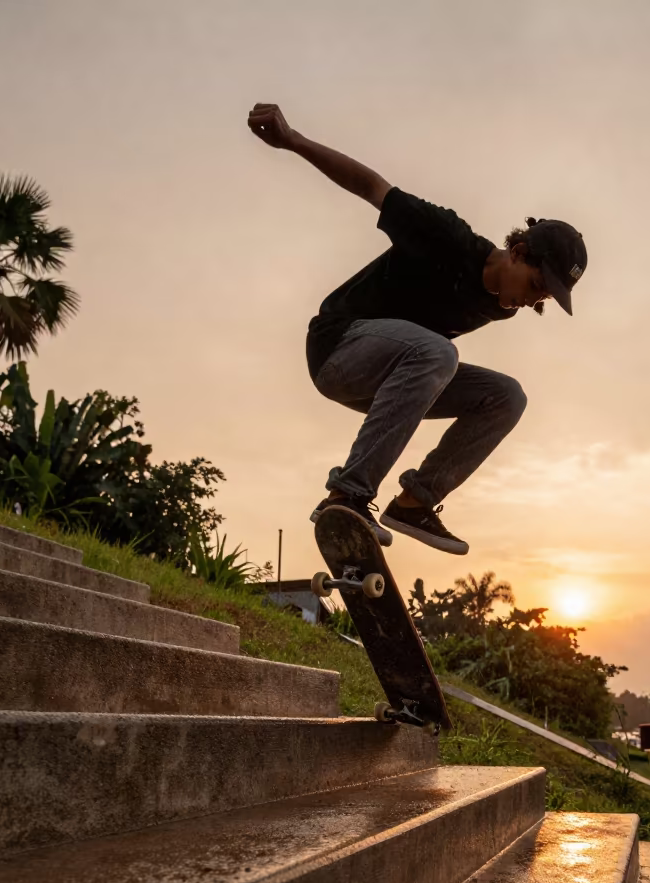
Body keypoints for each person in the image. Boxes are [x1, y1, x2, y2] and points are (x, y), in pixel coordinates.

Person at [248, 103, 587, 556]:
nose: (531, 301)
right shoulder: (447, 236)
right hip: (337, 347)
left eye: (543, 299)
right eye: (536, 285)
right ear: (518, 251)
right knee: (439, 353)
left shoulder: (502, 308)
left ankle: (414, 503)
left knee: (508, 395)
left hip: (391, 380)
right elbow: (372, 186)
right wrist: (293, 141)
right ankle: (347, 494)